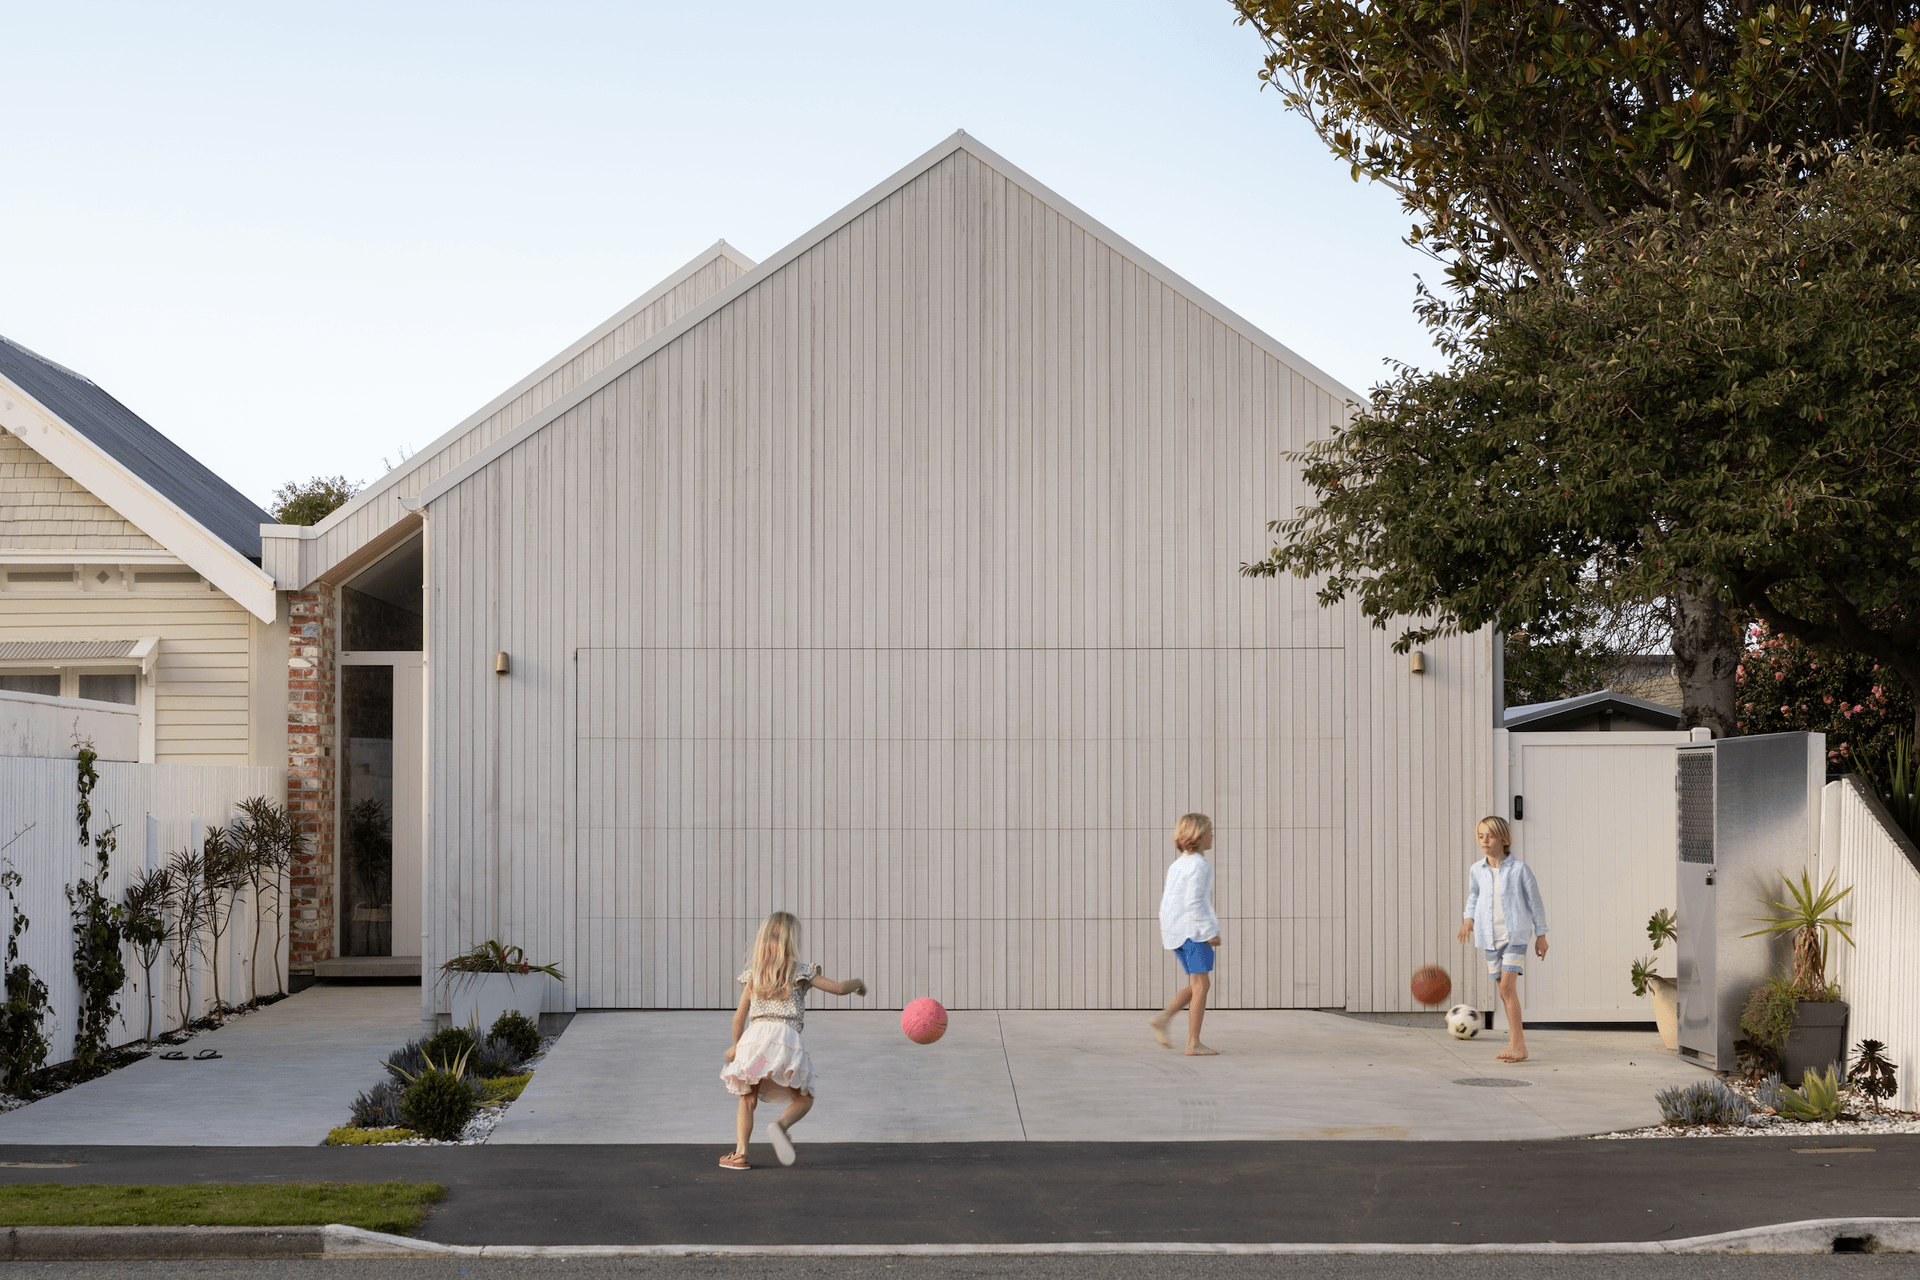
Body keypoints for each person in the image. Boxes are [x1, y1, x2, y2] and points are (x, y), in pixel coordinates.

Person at [718, 911, 865, 1170]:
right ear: (791, 942)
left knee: (747, 1098)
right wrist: (859, 983)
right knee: (804, 1097)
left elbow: (738, 1019)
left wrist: (736, 1046)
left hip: (754, 1039)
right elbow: (840, 988)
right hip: (786, 1039)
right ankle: (781, 1126)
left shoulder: (755, 975)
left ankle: (740, 1154)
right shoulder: (801, 971)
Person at [1455, 816, 1549, 1063]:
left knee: (1507, 988)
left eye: (1490, 835)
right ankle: (1517, 1044)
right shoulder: (1477, 870)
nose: (1484, 841)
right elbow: (1473, 897)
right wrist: (1468, 919)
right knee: (1504, 992)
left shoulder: (1520, 869)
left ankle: (1518, 1045)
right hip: (1489, 937)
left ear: (1504, 839)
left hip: (1515, 934)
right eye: (1480, 836)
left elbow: (1535, 903)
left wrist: (1541, 935)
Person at [1149, 812, 1222, 1056]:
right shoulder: (1200, 865)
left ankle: (1164, 1019)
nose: (1213, 837)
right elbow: (1194, 902)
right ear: (1199, 836)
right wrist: (1210, 931)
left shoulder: (1178, 863)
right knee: (1201, 985)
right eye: (1210, 832)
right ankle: (1194, 1043)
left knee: (1199, 983)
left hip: (1175, 931)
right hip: (1192, 931)